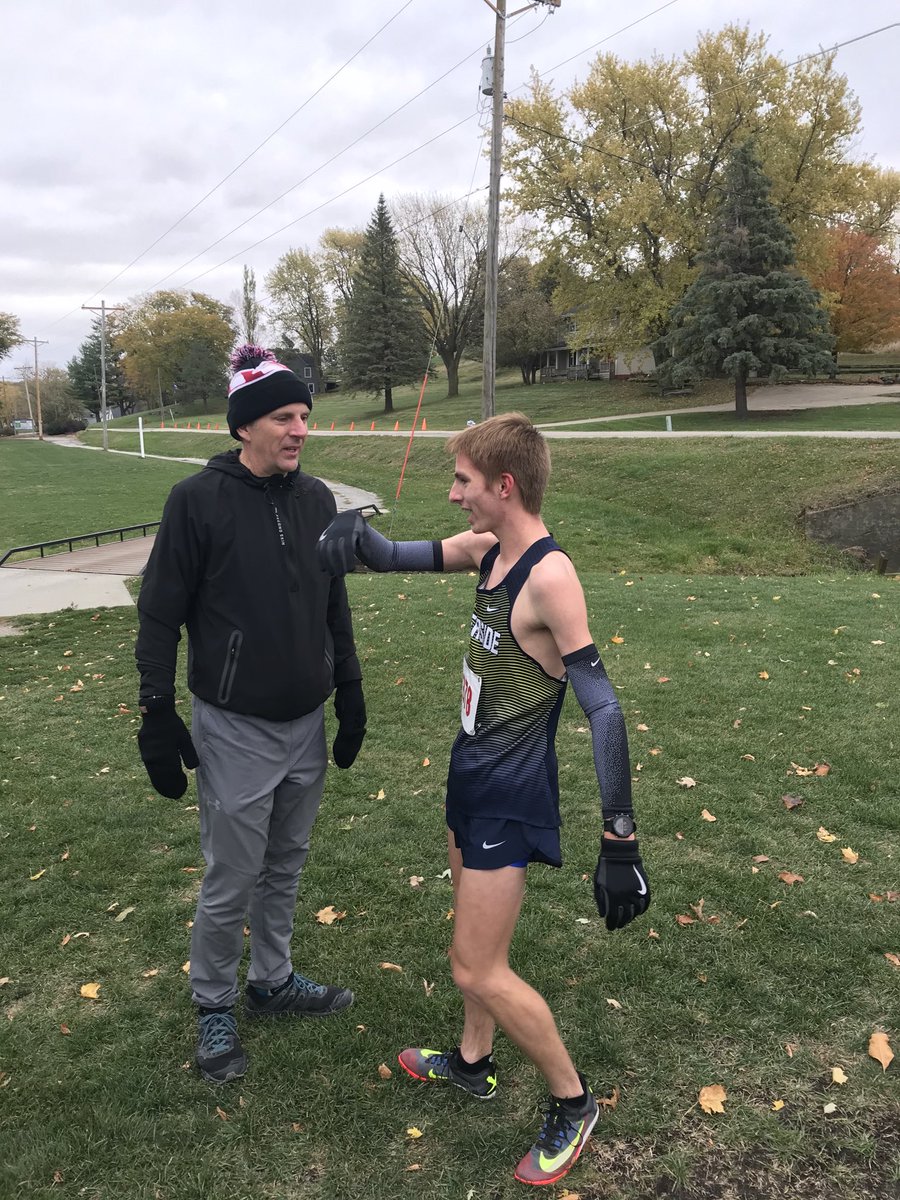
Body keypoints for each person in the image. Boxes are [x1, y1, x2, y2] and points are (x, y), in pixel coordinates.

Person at [316, 412, 650, 1187]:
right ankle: (472, 1060)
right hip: (469, 778)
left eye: (463, 480)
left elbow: (603, 707)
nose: (453, 493)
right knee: (469, 950)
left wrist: (620, 838)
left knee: (477, 968)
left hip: (511, 797)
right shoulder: (487, 549)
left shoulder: (548, 577)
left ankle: (572, 1102)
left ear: (504, 485)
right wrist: (350, 529)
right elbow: (391, 555)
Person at [135, 345, 366, 1085]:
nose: (300, 430)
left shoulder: (317, 499)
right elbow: (159, 612)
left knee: (285, 863)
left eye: (304, 416)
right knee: (232, 875)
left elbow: (333, 602)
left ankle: (271, 980)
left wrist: (350, 687)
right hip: (235, 726)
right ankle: (213, 1003)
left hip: (306, 723)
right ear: (244, 426)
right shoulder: (196, 500)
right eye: (283, 418)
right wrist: (155, 709)